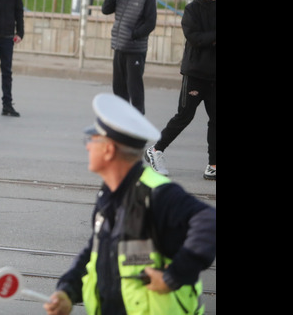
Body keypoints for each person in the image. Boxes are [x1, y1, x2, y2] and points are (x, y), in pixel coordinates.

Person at [43, 93, 216, 315]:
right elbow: (96, 250)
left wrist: (174, 276)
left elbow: (209, 222)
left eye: (91, 140)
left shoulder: (156, 193)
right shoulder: (110, 192)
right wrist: (68, 291)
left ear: (108, 149)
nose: (87, 147)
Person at [146, 0, 216, 180]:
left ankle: (213, 165)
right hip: (195, 73)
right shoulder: (192, 9)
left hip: (215, 75)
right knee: (184, 116)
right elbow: (195, 38)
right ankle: (156, 150)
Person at [101, 0, 157, 114]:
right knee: (118, 88)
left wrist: (133, 35)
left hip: (135, 51)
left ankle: (138, 124)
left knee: (134, 88)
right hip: (119, 48)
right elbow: (105, 10)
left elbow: (150, 24)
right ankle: (122, 121)